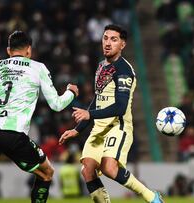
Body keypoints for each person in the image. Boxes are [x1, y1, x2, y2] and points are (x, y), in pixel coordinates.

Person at [0, 31, 79, 203]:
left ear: (8, 50)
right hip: (13, 134)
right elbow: (56, 105)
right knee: (46, 172)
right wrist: (71, 92)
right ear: (29, 50)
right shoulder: (37, 67)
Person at [59, 24, 164, 203]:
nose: (108, 43)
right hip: (99, 127)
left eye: (113, 40)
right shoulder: (101, 66)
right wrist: (78, 129)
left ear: (122, 45)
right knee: (87, 170)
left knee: (109, 168)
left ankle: (152, 197)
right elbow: (97, 100)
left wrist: (89, 115)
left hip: (118, 126)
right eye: (105, 38)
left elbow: (120, 107)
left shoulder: (124, 71)